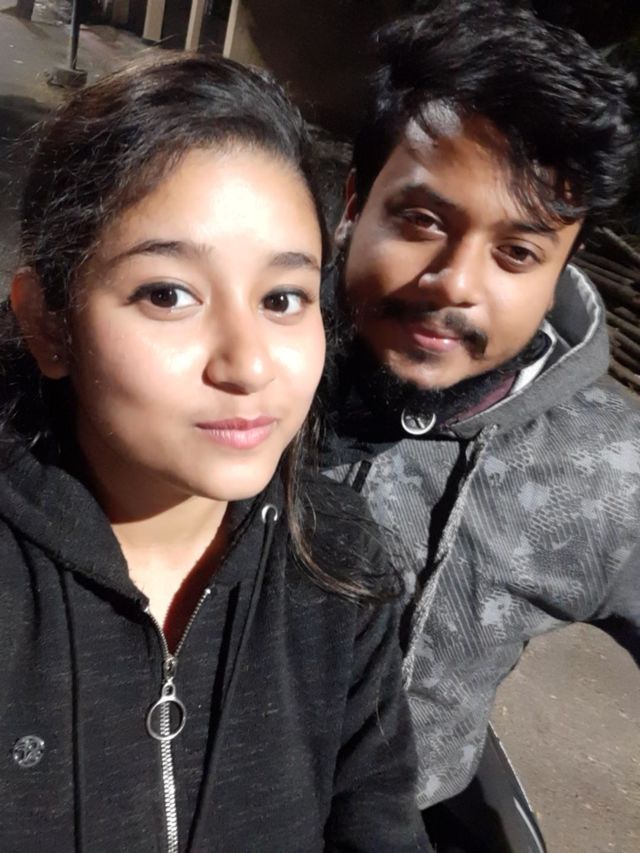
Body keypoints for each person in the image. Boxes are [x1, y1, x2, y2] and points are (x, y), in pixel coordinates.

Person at [0, 54, 430, 852]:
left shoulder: (333, 561)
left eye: (283, 298)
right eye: (168, 294)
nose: (248, 362)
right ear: (48, 324)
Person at [322, 1, 640, 850]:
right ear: (355, 201)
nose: (456, 283)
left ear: (560, 269)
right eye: (423, 220)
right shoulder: (231, 367)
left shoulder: (608, 469)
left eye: (517, 252)